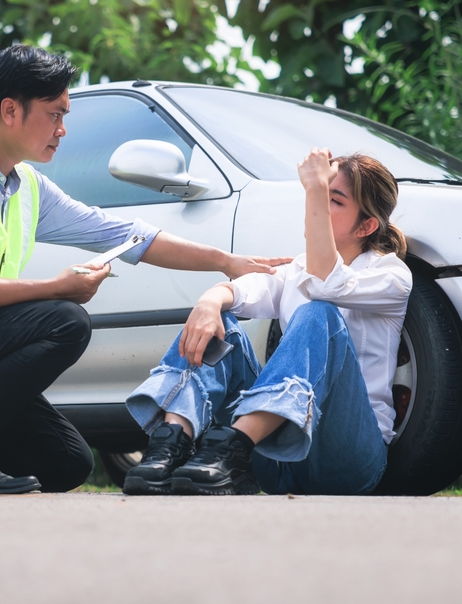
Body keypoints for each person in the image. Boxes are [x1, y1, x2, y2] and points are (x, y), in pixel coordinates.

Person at [0, 45, 286, 495]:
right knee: (64, 320)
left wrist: (225, 261)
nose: (63, 129)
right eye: (55, 114)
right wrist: (56, 288)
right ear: (11, 110)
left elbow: (124, 233)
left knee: (66, 465)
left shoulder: (24, 185)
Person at [122, 148, 412, 496]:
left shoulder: (391, 275)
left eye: (331, 199)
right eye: (315, 194)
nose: (315, 204)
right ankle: (169, 446)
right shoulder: (296, 270)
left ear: (366, 226)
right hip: (275, 462)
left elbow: (327, 284)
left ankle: (233, 444)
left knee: (320, 312)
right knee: (221, 322)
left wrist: (313, 188)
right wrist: (210, 300)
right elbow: (244, 291)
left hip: (347, 459)